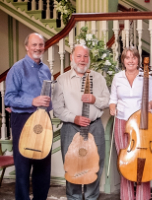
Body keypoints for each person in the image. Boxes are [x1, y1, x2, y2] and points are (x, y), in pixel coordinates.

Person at [52, 44, 110, 199]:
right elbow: (57, 108)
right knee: (73, 168)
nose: (82, 60)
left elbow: (106, 102)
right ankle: (74, 197)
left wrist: (94, 99)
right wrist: (74, 118)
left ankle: (92, 197)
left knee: (95, 166)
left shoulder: (98, 78)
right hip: (71, 128)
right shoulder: (62, 80)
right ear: (71, 57)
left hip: (95, 127)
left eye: (85, 56)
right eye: (79, 56)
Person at [4, 33, 52, 200]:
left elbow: (47, 99)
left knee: (44, 168)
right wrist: (32, 100)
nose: (38, 48)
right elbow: (8, 98)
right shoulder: (17, 69)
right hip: (22, 121)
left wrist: (48, 104)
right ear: (27, 46)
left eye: (40, 44)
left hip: (43, 121)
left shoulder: (46, 69)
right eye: (34, 45)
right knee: (23, 170)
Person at [109, 46, 152, 200]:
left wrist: (148, 105)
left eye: (134, 57)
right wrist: (112, 108)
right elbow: (113, 99)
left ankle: (143, 197)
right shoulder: (117, 78)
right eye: (127, 57)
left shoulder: (147, 77)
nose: (131, 60)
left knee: (144, 162)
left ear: (138, 60)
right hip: (122, 121)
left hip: (142, 124)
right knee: (125, 161)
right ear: (123, 60)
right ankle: (127, 197)